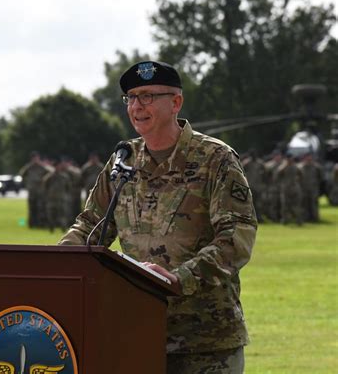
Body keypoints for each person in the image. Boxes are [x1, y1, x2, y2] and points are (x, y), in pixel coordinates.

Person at [58, 61, 257, 373]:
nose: (137, 106)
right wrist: (54, 265)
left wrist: (179, 279)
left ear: (175, 102)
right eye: (131, 98)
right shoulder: (123, 160)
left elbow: (237, 238)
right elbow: (91, 225)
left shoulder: (215, 159)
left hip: (204, 342)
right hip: (135, 333)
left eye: (148, 96)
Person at [19, 152, 53, 228]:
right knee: (31, 208)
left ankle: (40, 224)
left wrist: (41, 164)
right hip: (32, 192)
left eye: (36, 158)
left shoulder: (42, 167)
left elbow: (51, 172)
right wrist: (29, 165)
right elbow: (21, 173)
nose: (35, 160)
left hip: (40, 191)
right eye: (33, 158)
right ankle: (31, 224)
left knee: (40, 208)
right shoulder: (29, 167)